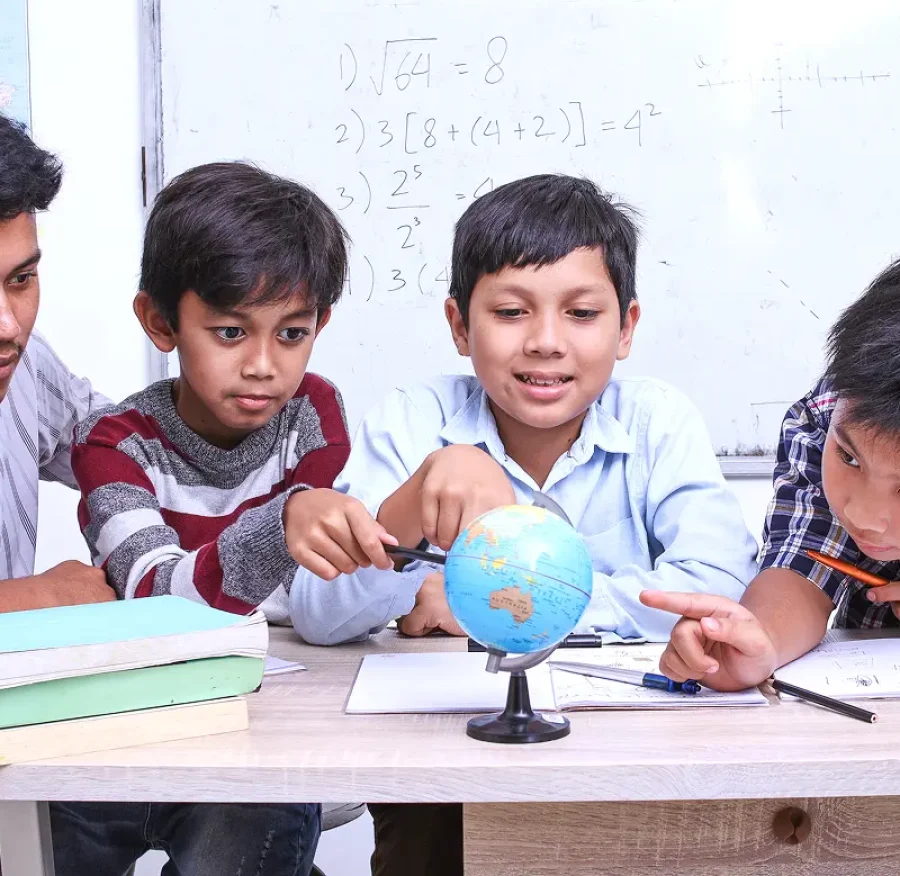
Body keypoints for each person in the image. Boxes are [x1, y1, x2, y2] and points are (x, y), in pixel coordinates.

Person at [285, 174, 758, 876]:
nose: (545, 342)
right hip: (447, 760)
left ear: (626, 327)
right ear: (459, 325)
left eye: (581, 313)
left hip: (628, 753)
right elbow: (319, 616)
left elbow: (719, 587)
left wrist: (502, 604)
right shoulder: (415, 419)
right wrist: (412, 502)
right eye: (510, 312)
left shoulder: (656, 421)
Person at [54, 161, 375, 875]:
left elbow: (315, 596)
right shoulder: (113, 446)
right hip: (117, 736)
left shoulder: (312, 416)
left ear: (320, 324)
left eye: (291, 333)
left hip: (253, 730)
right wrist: (283, 524)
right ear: (160, 322)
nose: (263, 365)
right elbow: (159, 603)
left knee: (261, 811)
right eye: (230, 332)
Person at [642, 259, 900, 692]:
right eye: (849, 458)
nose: (864, 516)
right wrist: (758, 642)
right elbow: (803, 565)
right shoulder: (826, 417)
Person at [0, 114, 114, 613]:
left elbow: (128, 447)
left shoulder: (24, 366)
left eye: (20, 280)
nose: (8, 326)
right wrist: (38, 597)